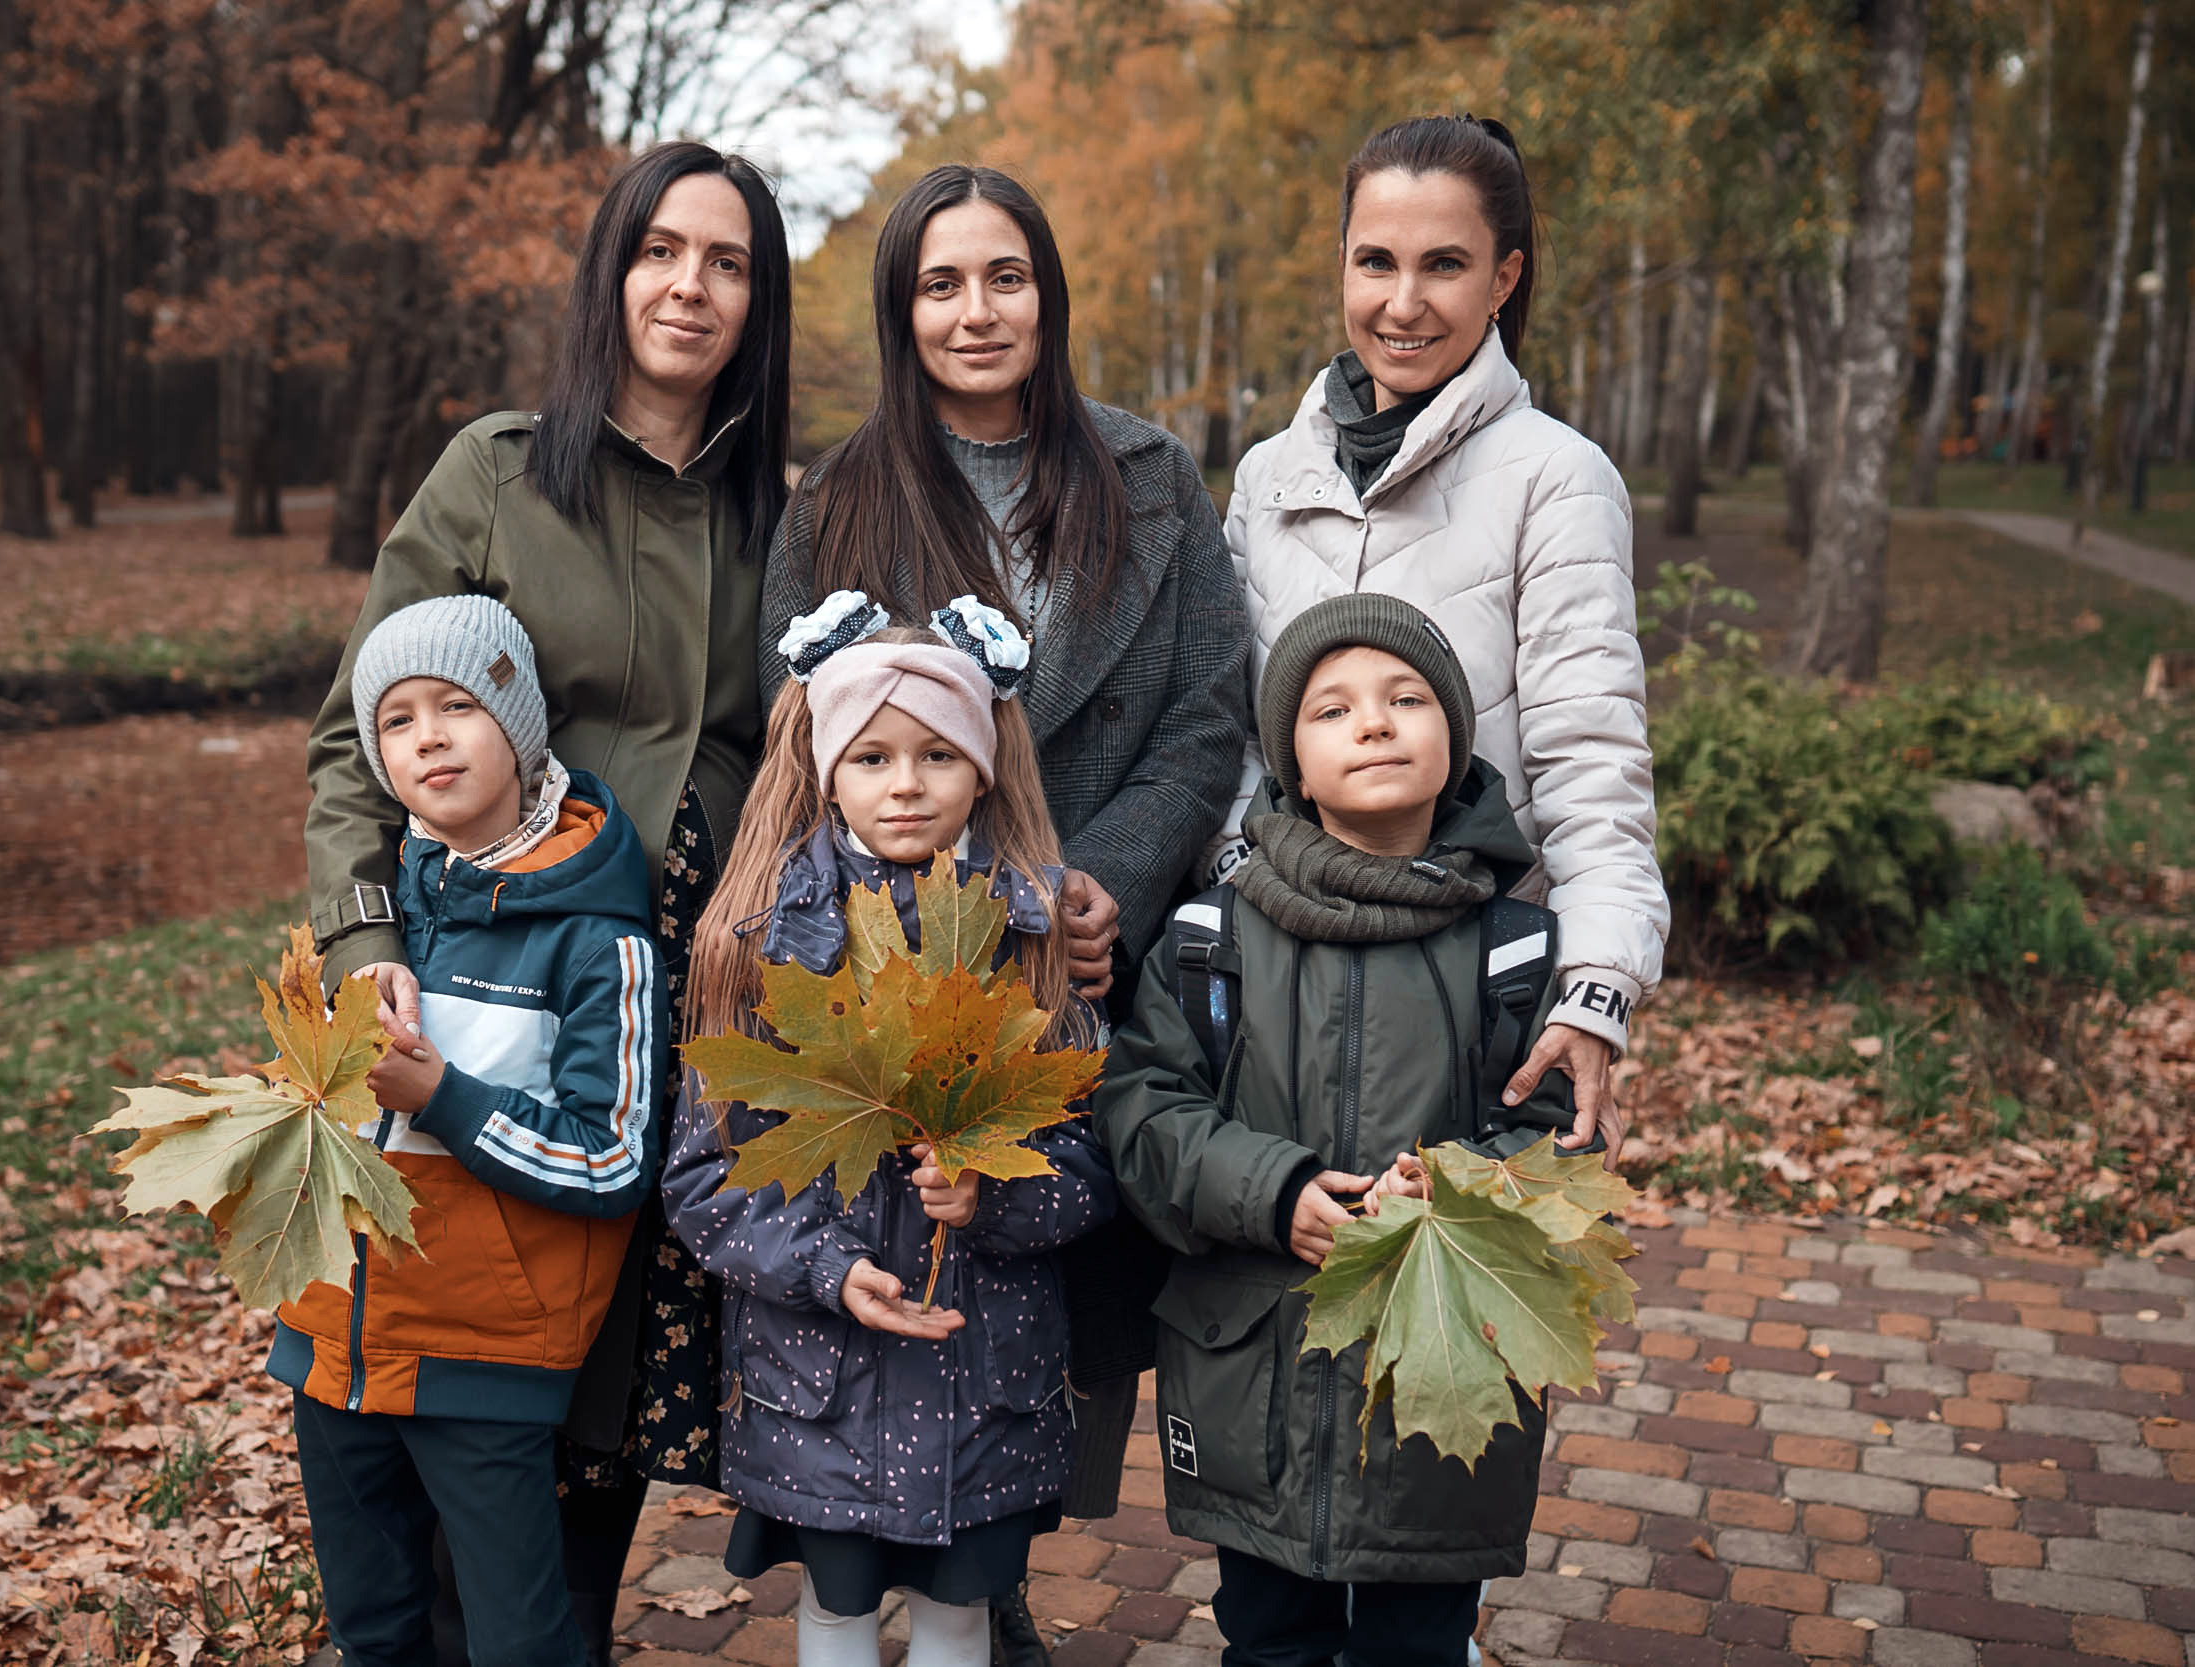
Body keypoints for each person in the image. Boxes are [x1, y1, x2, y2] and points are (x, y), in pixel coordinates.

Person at [300, 140, 792, 1661]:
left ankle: (543, 1627)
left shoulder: (783, 509)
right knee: (459, 1345)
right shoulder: (496, 472)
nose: (689, 285)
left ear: (757, 300)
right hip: (485, 971)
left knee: (608, 1373)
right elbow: (356, 734)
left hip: (684, 996)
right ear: (610, 270)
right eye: (659, 249)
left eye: (726, 261)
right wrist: (365, 937)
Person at [757, 163, 1249, 1655]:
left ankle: (996, 1565)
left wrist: (1088, 882)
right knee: (903, 1240)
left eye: (1005, 277)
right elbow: (798, 730)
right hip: (876, 976)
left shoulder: (1153, 477)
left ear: (1050, 292)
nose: (978, 311)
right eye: (942, 284)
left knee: (1048, 1260)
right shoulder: (839, 503)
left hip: (1095, 946)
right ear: (904, 312)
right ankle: (887, 1558)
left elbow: (1206, 711)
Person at [1097, 592, 1584, 1667]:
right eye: (1332, 708)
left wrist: (1451, 1193)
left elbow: (1562, 1145)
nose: (1373, 722)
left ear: (1454, 742)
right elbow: (1145, 1114)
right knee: (1268, 1638)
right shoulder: (1211, 941)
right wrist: (1275, 1190)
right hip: (1252, 1372)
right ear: (1290, 767)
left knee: (1419, 1641)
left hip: (1439, 1378)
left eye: (1406, 698)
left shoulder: (1512, 949)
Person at [664, 600, 1115, 1667]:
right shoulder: (761, 944)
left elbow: (1096, 1157)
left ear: (987, 767)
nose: (904, 782)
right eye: (871, 754)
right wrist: (825, 1264)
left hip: (984, 1374)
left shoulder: (1035, 938)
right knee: (836, 1605)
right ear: (827, 771)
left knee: (961, 1610)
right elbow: (703, 1180)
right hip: (818, 1374)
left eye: (936, 754)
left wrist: (997, 1196)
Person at [1215, 115, 1666, 1167]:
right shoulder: (1268, 479)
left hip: (1472, 997)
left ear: (1503, 278)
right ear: (1341, 264)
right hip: (1283, 995)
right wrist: (1237, 903)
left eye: (1444, 265)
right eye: (1375, 261)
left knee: (1455, 1307)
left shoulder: (1556, 479)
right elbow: (1236, 736)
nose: (1402, 302)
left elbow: (1588, 757)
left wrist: (1594, 990)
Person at [272, 597, 667, 1667]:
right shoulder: (368, 916)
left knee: (517, 1636)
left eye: (457, 704)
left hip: (482, 1349)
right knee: (370, 1625)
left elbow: (613, 1157)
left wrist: (444, 1093)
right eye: (396, 720)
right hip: (330, 1339)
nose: (428, 735)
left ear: (519, 725)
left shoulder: (601, 942)